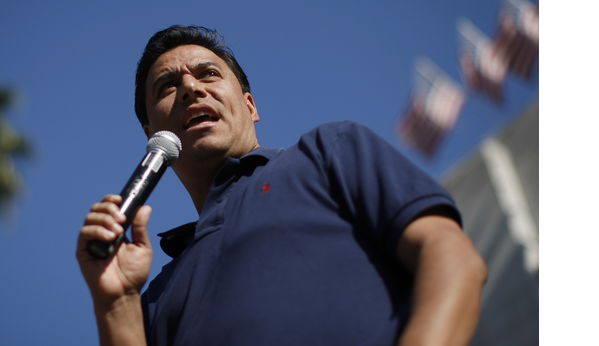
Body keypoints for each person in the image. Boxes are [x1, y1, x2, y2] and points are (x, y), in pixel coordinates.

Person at [76, 25, 487, 346]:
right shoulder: (153, 292)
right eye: (168, 86)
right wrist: (117, 304)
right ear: (150, 132)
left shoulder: (329, 151)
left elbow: (450, 257)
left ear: (250, 106)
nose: (189, 87)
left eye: (209, 74)